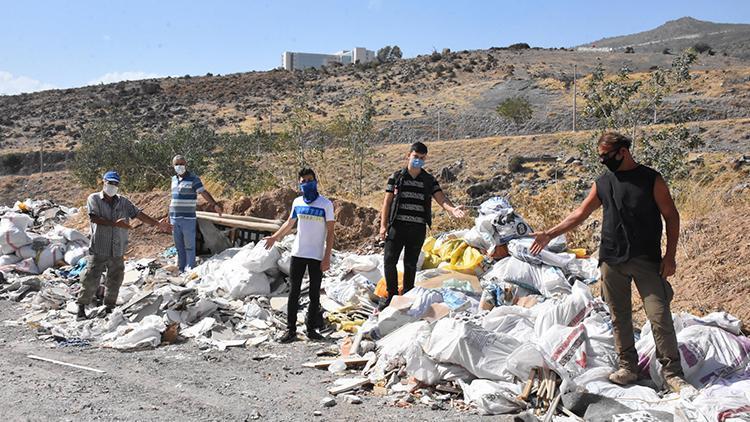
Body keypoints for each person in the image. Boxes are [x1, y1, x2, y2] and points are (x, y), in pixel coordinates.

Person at [529, 132, 690, 393]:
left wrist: (670, 256)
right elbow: (580, 213)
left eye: (607, 156)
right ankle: (628, 367)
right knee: (619, 317)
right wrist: (550, 233)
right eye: (600, 156)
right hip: (612, 260)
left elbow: (671, 216)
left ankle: (673, 373)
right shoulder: (603, 182)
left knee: (659, 316)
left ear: (623, 152)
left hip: (647, 260)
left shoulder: (651, 179)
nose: (603, 161)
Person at [379, 141, 465, 310]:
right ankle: (391, 295)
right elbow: (387, 203)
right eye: (415, 157)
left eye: (422, 158)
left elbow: (441, 198)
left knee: (410, 264)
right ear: (408, 156)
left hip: (417, 229)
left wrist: (453, 209)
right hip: (397, 226)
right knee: (389, 261)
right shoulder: (396, 177)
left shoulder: (428, 180)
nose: (418, 160)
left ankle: (409, 295)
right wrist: (383, 226)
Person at [77, 170, 170, 320]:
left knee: (115, 279)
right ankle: (81, 308)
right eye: (110, 183)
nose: (113, 186)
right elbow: (94, 218)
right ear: (103, 182)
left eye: (115, 184)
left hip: (117, 248)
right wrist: (115, 224)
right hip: (99, 247)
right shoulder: (94, 198)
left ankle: (109, 307)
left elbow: (138, 214)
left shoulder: (123, 201)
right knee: (91, 277)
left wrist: (157, 224)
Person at [264, 168, 335, 343]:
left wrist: (327, 257)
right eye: (303, 181)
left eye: (309, 180)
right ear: (299, 184)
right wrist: (275, 237)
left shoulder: (325, 204)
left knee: (314, 295)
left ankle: (311, 330)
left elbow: (331, 232)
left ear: (316, 181)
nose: (306, 183)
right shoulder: (297, 203)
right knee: (293, 292)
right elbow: (290, 223)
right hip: (298, 253)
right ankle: (291, 330)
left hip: (316, 255)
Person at [169, 155, 223, 273]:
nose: (179, 166)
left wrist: (214, 205)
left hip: (188, 218)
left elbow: (203, 192)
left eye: (182, 164)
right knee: (179, 246)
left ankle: (190, 268)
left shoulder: (193, 178)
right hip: (174, 218)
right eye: (177, 164)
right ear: (173, 166)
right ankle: (181, 268)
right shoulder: (173, 179)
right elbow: (174, 198)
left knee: (189, 245)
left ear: (186, 164)